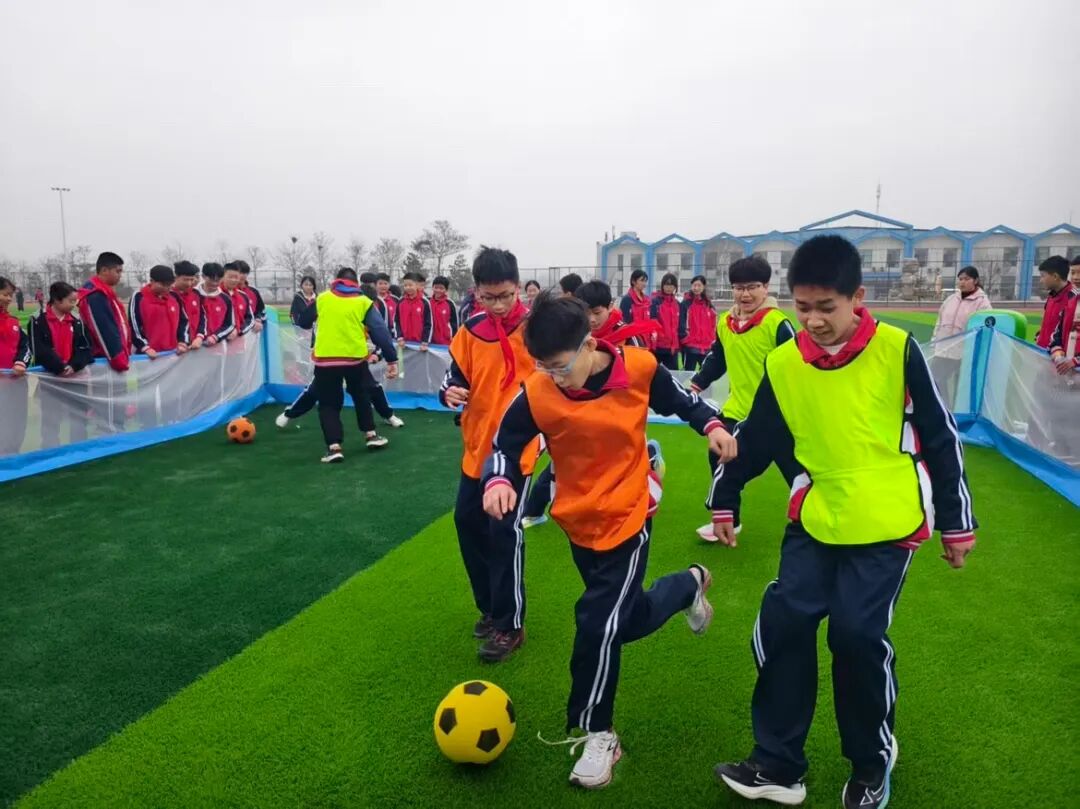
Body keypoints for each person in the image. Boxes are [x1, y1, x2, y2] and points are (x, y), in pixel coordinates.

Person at [708, 235, 977, 809]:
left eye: (826, 307)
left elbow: (940, 435)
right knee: (784, 623)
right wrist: (725, 497)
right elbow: (759, 436)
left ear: (856, 298)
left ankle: (872, 762)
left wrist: (956, 523)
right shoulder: (784, 361)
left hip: (888, 521)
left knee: (855, 635)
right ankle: (778, 764)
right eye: (803, 307)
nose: (813, 320)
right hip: (816, 515)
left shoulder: (898, 349)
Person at [481, 292, 735, 789]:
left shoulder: (640, 369)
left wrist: (712, 425)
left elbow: (685, 402)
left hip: (629, 516)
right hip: (578, 520)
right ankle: (688, 586)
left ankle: (599, 732)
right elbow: (504, 445)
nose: (554, 377)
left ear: (590, 345)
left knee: (597, 623)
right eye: (544, 367)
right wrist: (499, 480)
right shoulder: (537, 391)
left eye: (560, 366)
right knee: (625, 619)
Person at [438, 247, 539, 663]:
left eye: (505, 296)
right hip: (477, 446)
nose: (498, 305)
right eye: (488, 297)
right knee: (467, 522)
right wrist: (449, 392)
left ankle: (510, 624)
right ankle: (490, 607)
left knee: (504, 531)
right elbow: (453, 375)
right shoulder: (471, 329)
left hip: (518, 448)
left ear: (518, 287)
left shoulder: (538, 329)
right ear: (476, 291)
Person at [521, 280, 662, 529]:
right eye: (587, 313)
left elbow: (646, 380)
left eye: (597, 312)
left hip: (621, 421)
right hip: (577, 422)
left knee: (624, 466)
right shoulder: (570, 339)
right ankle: (534, 510)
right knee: (563, 465)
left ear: (610, 306)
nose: (593, 319)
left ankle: (645, 476)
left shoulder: (630, 341)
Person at [690, 256, 796, 540]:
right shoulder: (726, 322)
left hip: (781, 416)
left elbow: (800, 365)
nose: (745, 294)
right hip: (738, 410)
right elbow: (718, 358)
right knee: (720, 454)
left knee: (801, 475)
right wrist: (696, 385)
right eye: (738, 288)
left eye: (752, 287)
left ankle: (821, 524)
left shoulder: (778, 324)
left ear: (766, 287)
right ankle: (730, 519)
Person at [294, 268, 398, 462]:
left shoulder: (323, 298)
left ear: (336, 281)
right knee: (361, 395)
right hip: (354, 359)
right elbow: (380, 331)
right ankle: (371, 435)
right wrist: (392, 359)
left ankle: (334, 448)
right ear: (355, 284)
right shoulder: (363, 301)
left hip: (326, 360)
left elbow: (303, 322)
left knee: (328, 403)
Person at [29, 281, 94, 447]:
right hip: (51, 379)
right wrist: (58, 367)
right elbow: (38, 348)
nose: (74, 304)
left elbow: (86, 348)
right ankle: (51, 450)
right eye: (71, 301)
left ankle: (79, 449)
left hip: (76, 378)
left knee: (78, 417)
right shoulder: (37, 320)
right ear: (57, 300)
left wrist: (74, 365)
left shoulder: (77, 320)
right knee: (51, 419)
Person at [929, 266, 992, 404]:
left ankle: (957, 411)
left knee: (961, 385)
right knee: (934, 379)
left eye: (966, 279)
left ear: (975, 280)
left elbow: (984, 329)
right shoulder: (951, 299)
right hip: (943, 349)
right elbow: (940, 322)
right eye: (960, 279)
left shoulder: (982, 303)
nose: (962, 282)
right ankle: (944, 408)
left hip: (963, 353)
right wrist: (935, 341)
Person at [78, 252, 130, 372]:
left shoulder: (106, 292)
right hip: (105, 362)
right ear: (104, 270)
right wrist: (117, 357)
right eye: (118, 271)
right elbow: (104, 329)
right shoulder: (95, 295)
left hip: (115, 358)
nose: (120, 275)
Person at [129, 265, 189, 358]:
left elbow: (183, 320)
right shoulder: (139, 297)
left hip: (173, 353)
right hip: (149, 356)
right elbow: (134, 325)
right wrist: (145, 347)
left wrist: (182, 341)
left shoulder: (174, 297)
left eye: (169, 285)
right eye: (163, 285)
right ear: (152, 281)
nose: (167, 288)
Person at [0, 276, 31, 455]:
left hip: (15, 385)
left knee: (16, 424)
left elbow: (25, 346)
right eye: (5, 294)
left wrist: (21, 362)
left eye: (10, 295)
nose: (9, 299)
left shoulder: (13, 321)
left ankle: (12, 457)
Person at [678, 274, 716, 372]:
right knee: (688, 373)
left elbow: (713, 325)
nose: (696, 288)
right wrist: (686, 340)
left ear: (703, 287)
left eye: (699, 285)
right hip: (691, 347)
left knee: (707, 373)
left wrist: (712, 340)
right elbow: (681, 324)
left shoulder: (709, 305)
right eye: (694, 285)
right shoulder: (685, 304)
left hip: (706, 347)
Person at [1035, 255, 1074, 350]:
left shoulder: (1073, 299)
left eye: (1043, 276)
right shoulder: (1051, 296)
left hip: (1057, 355)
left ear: (1055, 276)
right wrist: (1040, 335)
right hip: (1042, 352)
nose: (1041, 280)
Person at [196, 263, 237, 345]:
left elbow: (230, 324)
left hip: (216, 345)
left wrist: (216, 336)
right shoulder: (194, 296)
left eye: (218, 280)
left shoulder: (226, 299)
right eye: (211, 279)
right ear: (203, 276)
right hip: (194, 345)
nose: (214, 283)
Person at [649, 273, 681, 370]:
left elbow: (678, 325)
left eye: (671, 285)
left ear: (675, 287)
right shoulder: (655, 302)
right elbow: (652, 322)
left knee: (673, 374)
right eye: (666, 285)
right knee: (653, 372)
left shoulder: (677, 304)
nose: (668, 288)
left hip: (672, 347)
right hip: (658, 346)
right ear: (662, 286)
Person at [172, 262, 206, 350]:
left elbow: (202, 317)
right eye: (185, 280)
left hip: (195, 344)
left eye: (191, 280)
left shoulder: (196, 294)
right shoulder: (170, 296)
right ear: (176, 277)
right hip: (177, 347)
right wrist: (182, 341)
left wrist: (200, 336)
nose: (189, 283)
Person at [395, 271, 433, 347]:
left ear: (417, 285)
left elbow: (428, 324)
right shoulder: (401, 302)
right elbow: (396, 321)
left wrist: (425, 341)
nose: (408, 287)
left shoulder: (424, 302)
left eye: (410, 285)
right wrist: (399, 337)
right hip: (404, 343)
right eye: (405, 285)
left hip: (420, 344)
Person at [223, 263, 255, 336]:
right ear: (222, 276)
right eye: (230, 277)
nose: (233, 280)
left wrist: (239, 330)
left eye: (236, 277)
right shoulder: (217, 295)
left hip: (239, 337)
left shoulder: (243, 296)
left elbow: (250, 319)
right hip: (217, 339)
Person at [619, 269, 652, 337]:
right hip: (633, 337)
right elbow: (624, 322)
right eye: (642, 280)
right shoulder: (627, 300)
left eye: (645, 281)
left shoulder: (647, 300)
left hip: (646, 337)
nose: (644, 284)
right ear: (633, 281)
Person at [235, 260, 266, 332]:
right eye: (239, 272)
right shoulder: (227, 292)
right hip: (232, 331)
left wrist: (258, 319)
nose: (242, 275)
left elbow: (261, 310)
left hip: (251, 330)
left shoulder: (254, 292)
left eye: (245, 273)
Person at [430, 276, 459, 345]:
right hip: (429, 342)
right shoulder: (427, 302)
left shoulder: (450, 304)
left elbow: (455, 324)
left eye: (441, 288)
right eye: (436, 287)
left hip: (446, 342)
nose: (438, 290)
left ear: (446, 290)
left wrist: (454, 340)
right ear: (432, 287)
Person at [375, 272, 399, 339]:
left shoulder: (395, 300)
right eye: (380, 283)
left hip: (393, 334)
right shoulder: (371, 300)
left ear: (389, 285)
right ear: (375, 285)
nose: (383, 286)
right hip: (376, 333)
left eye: (385, 283)